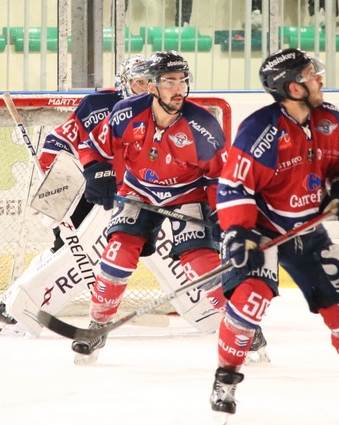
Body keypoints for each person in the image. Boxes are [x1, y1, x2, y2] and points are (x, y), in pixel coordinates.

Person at [207, 48, 339, 421]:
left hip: (307, 230)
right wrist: (238, 233)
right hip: (262, 229)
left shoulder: (331, 119)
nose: (319, 78)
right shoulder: (261, 130)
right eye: (310, 74)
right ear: (293, 87)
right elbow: (234, 186)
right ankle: (225, 382)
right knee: (248, 303)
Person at [72, 50, 268, 365]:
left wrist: (223, 215)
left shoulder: (202, 125)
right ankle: (97, 327)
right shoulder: (125, 114)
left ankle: (244, 327)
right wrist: (96, 170)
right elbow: (90, 146)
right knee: (118, 253)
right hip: (138, 191)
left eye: (182, 81)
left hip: (187, 194)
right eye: (169, 82)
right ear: (151, 86)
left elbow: (220, 177)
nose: (178, 89)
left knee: (203, 266)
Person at [0, 55, 149, 327]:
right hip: (79, 183)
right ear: (124, 82)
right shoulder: (97, 104)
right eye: (139, 83)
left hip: (119, 191)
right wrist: (49, 172)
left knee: (93, 252)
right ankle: (11, 302)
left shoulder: (156, 111)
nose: (146, 89)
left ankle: (26, 303)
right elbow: (62, 137)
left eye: (151, 83)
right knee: (64, 247)